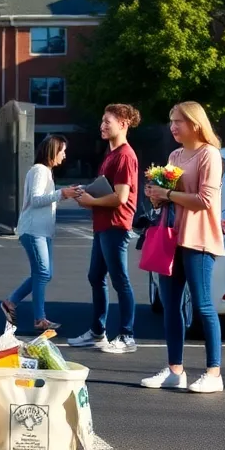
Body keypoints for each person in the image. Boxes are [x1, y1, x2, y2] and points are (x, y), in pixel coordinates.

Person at [140, 102, 225, 393]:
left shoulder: (209, 155)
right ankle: (175, 370)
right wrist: (156, 196)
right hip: (170, 236)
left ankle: (214, 373)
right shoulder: (175, 154)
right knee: (170, 306)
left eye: (178, 121)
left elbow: (205, 201)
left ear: (196, 124)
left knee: (203, 306)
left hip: (199, 238)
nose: (173, 126)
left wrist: (168, 193)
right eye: (171, 121)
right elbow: (171, 197)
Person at [69, 104, 140, 354]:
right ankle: (98, 333)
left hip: (116, 226)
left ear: (123, 124)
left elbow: (120, 197)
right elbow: (106, 187)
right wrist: (87, 191)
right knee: (95, 276)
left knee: (120, 280)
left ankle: (127, 336)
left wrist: (91, 201)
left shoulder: (124, 156)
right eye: (102, 121)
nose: (102, 125)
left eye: (107, 121)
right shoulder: (111, 154)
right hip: (103, 226)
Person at [1, 134, 77, 332]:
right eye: (63, 151)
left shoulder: (45, 172)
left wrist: (63, 193)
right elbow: (36, 199)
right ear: (53, 151)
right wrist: (62, 194)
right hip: (34, 230)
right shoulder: (39, 170)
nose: (65, 156)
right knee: (43, 272)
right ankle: (39, 319)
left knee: (43, 273)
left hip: (42, 232)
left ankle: (11, 302)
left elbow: (43, 198)